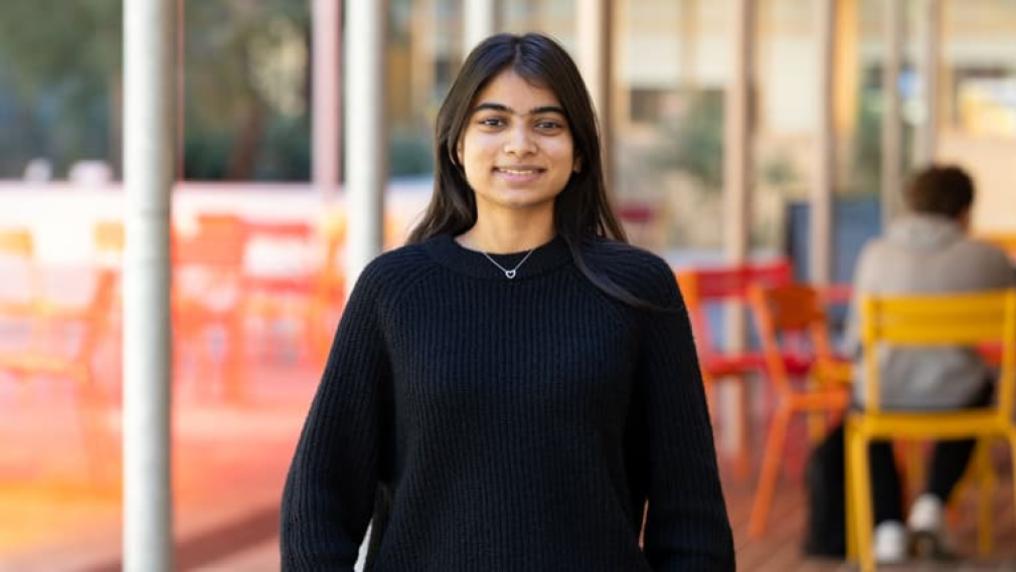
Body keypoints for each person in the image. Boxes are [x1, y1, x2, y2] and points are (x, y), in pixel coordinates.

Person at [280, 33, 734, 570]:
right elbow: (318, 500)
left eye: (547, 124)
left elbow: (692, 516)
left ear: (581, 152)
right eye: (493, 122)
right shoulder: (394, 290)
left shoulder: (638, 288)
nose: (520, 144)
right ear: (456, 144)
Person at [843, 165, 1015, 563]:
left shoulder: (875, 254)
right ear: (965, 210)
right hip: (958, 398)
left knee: (865, 398)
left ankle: (886, 528)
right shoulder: (989, 258)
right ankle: (932, 505)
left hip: (885, 396)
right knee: (980, 386)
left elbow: (854, 342)